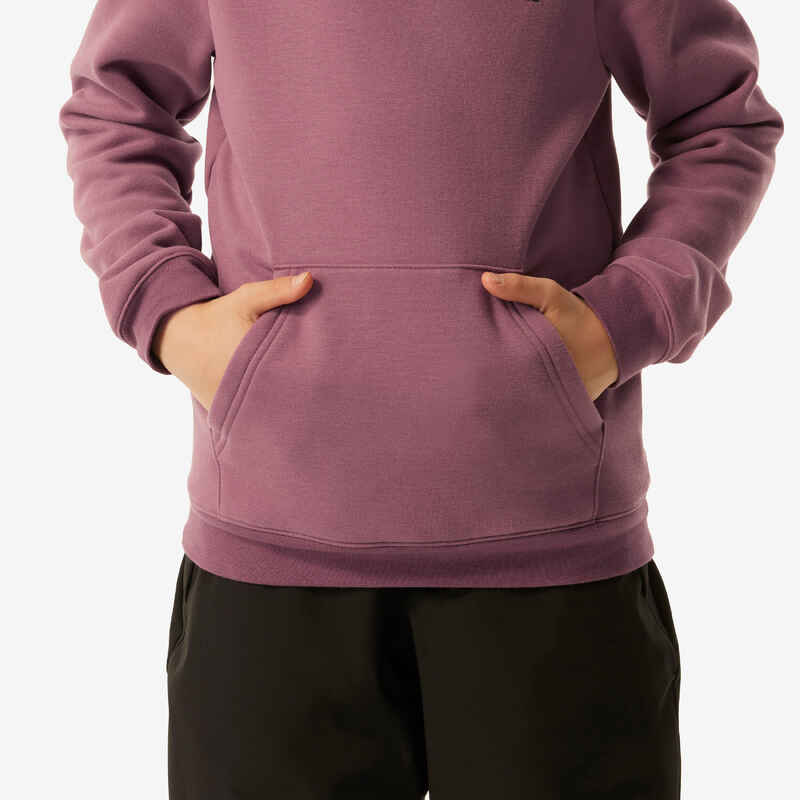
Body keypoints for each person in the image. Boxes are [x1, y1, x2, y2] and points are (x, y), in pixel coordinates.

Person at [59, 0, 782, 796]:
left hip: (553, 559)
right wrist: (167, 308)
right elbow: (116, 102)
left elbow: (720, 121)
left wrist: (630, 315)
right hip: (270, 557)